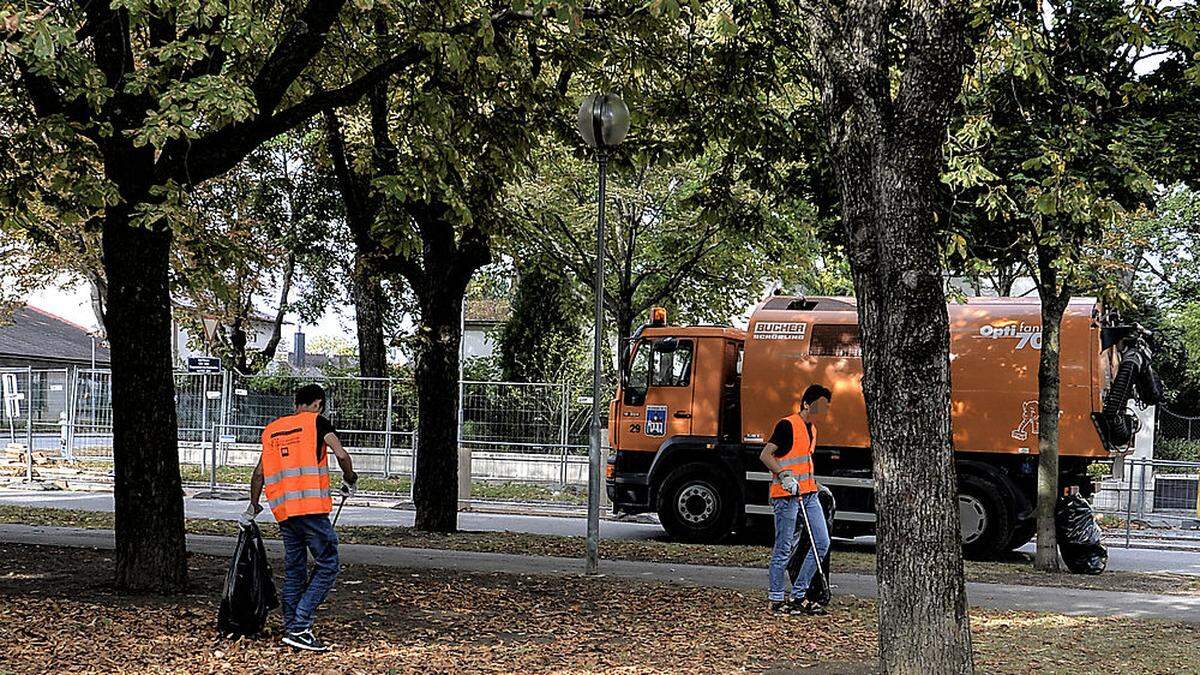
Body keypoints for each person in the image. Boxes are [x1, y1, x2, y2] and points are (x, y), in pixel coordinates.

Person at [241, 383, 358, 652]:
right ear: (317, 404)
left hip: (284, 512)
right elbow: (340, 454)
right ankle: (301, 627)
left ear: (297, 403)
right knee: (328, 564)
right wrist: (350, 479)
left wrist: (253, 506)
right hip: (312, 509)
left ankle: (292, 626)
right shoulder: (318, 422)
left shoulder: (272, 430)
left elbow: (259, 473)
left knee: (295, 570)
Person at [759, 383, 832, 615]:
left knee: (822, 542)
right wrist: (783, 476)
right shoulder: (787, 425)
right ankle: (776, 599)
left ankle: (799, 594)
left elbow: (803, 464)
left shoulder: (813, 430)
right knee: (783, 547)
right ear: (807, 404)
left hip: (808, 493)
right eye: (820, 406)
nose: (824, 411)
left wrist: (816, 485)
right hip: (786, 495)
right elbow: (766, 455)